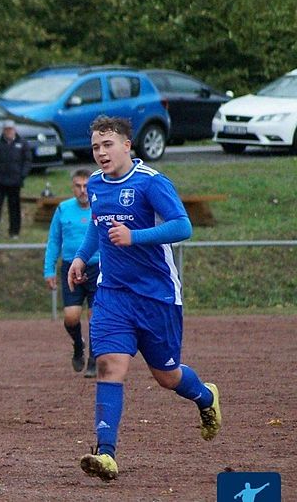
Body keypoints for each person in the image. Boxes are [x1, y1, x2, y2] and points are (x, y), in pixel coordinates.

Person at [69, 116, 221, 482]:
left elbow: (182, 225)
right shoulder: (96, 184)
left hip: (157, 297)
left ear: (127, 145)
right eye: (95, 147)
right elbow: (97, 227)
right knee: (109, 366)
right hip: (113, 294)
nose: (101, 153)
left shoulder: (151, 182)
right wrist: (81, 257)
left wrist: (135, 236)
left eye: (108, 145)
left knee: (167, 376)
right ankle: (106, 454)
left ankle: (205, 397)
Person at [43, 168, 98, 377]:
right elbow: (54, 241)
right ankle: (78, 345)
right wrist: (49, 270)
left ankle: (94, 358)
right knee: (71, 317)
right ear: (72, 187)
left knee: (95, 316)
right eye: (78, 186)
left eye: (86, 186)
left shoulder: (100, 208)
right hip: (70, 269)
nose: (83, 190)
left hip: (98, 267)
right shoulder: (63, 209)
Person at [0, 119, 32, 239]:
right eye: (6, 129)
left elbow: (27, 161)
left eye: (11, 129)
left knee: (14, 207)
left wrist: (22, 175)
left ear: (14, 130)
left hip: (15, 181)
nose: (9, 132)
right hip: (0, 181)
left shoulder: (22, 143)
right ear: (3, 130)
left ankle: (14, 232)